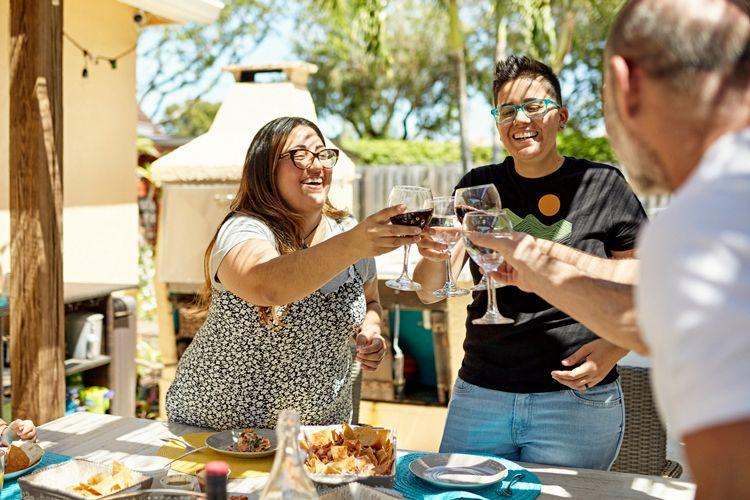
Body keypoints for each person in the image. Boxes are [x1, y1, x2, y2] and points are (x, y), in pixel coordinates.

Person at [468, 0, 750, 497]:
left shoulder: (709, 216)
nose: (521, 120)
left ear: (624, 83)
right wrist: (535, 261)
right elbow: (653, 301)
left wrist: (537, 265)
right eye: (507, 110)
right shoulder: (721, 202)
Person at [412, 55, 647, 469]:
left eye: (533, 106)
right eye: (507, 111)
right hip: (481, 393)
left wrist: (614, 348)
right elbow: (430, 290)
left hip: (576, 399)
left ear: (562, 116)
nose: (520, 119)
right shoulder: (476, 187)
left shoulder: (603, 185)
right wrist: (431, 254)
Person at [166, 116, 422, 429]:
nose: (316, 166)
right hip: (219, 433)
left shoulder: (346, 231)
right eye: (299, 155)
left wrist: (371, 331)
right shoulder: (244, 229)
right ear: (265, 170)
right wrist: (353, 244)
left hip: (319, 438)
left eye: (323, 155)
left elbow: (371, 302)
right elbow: (267, 286)